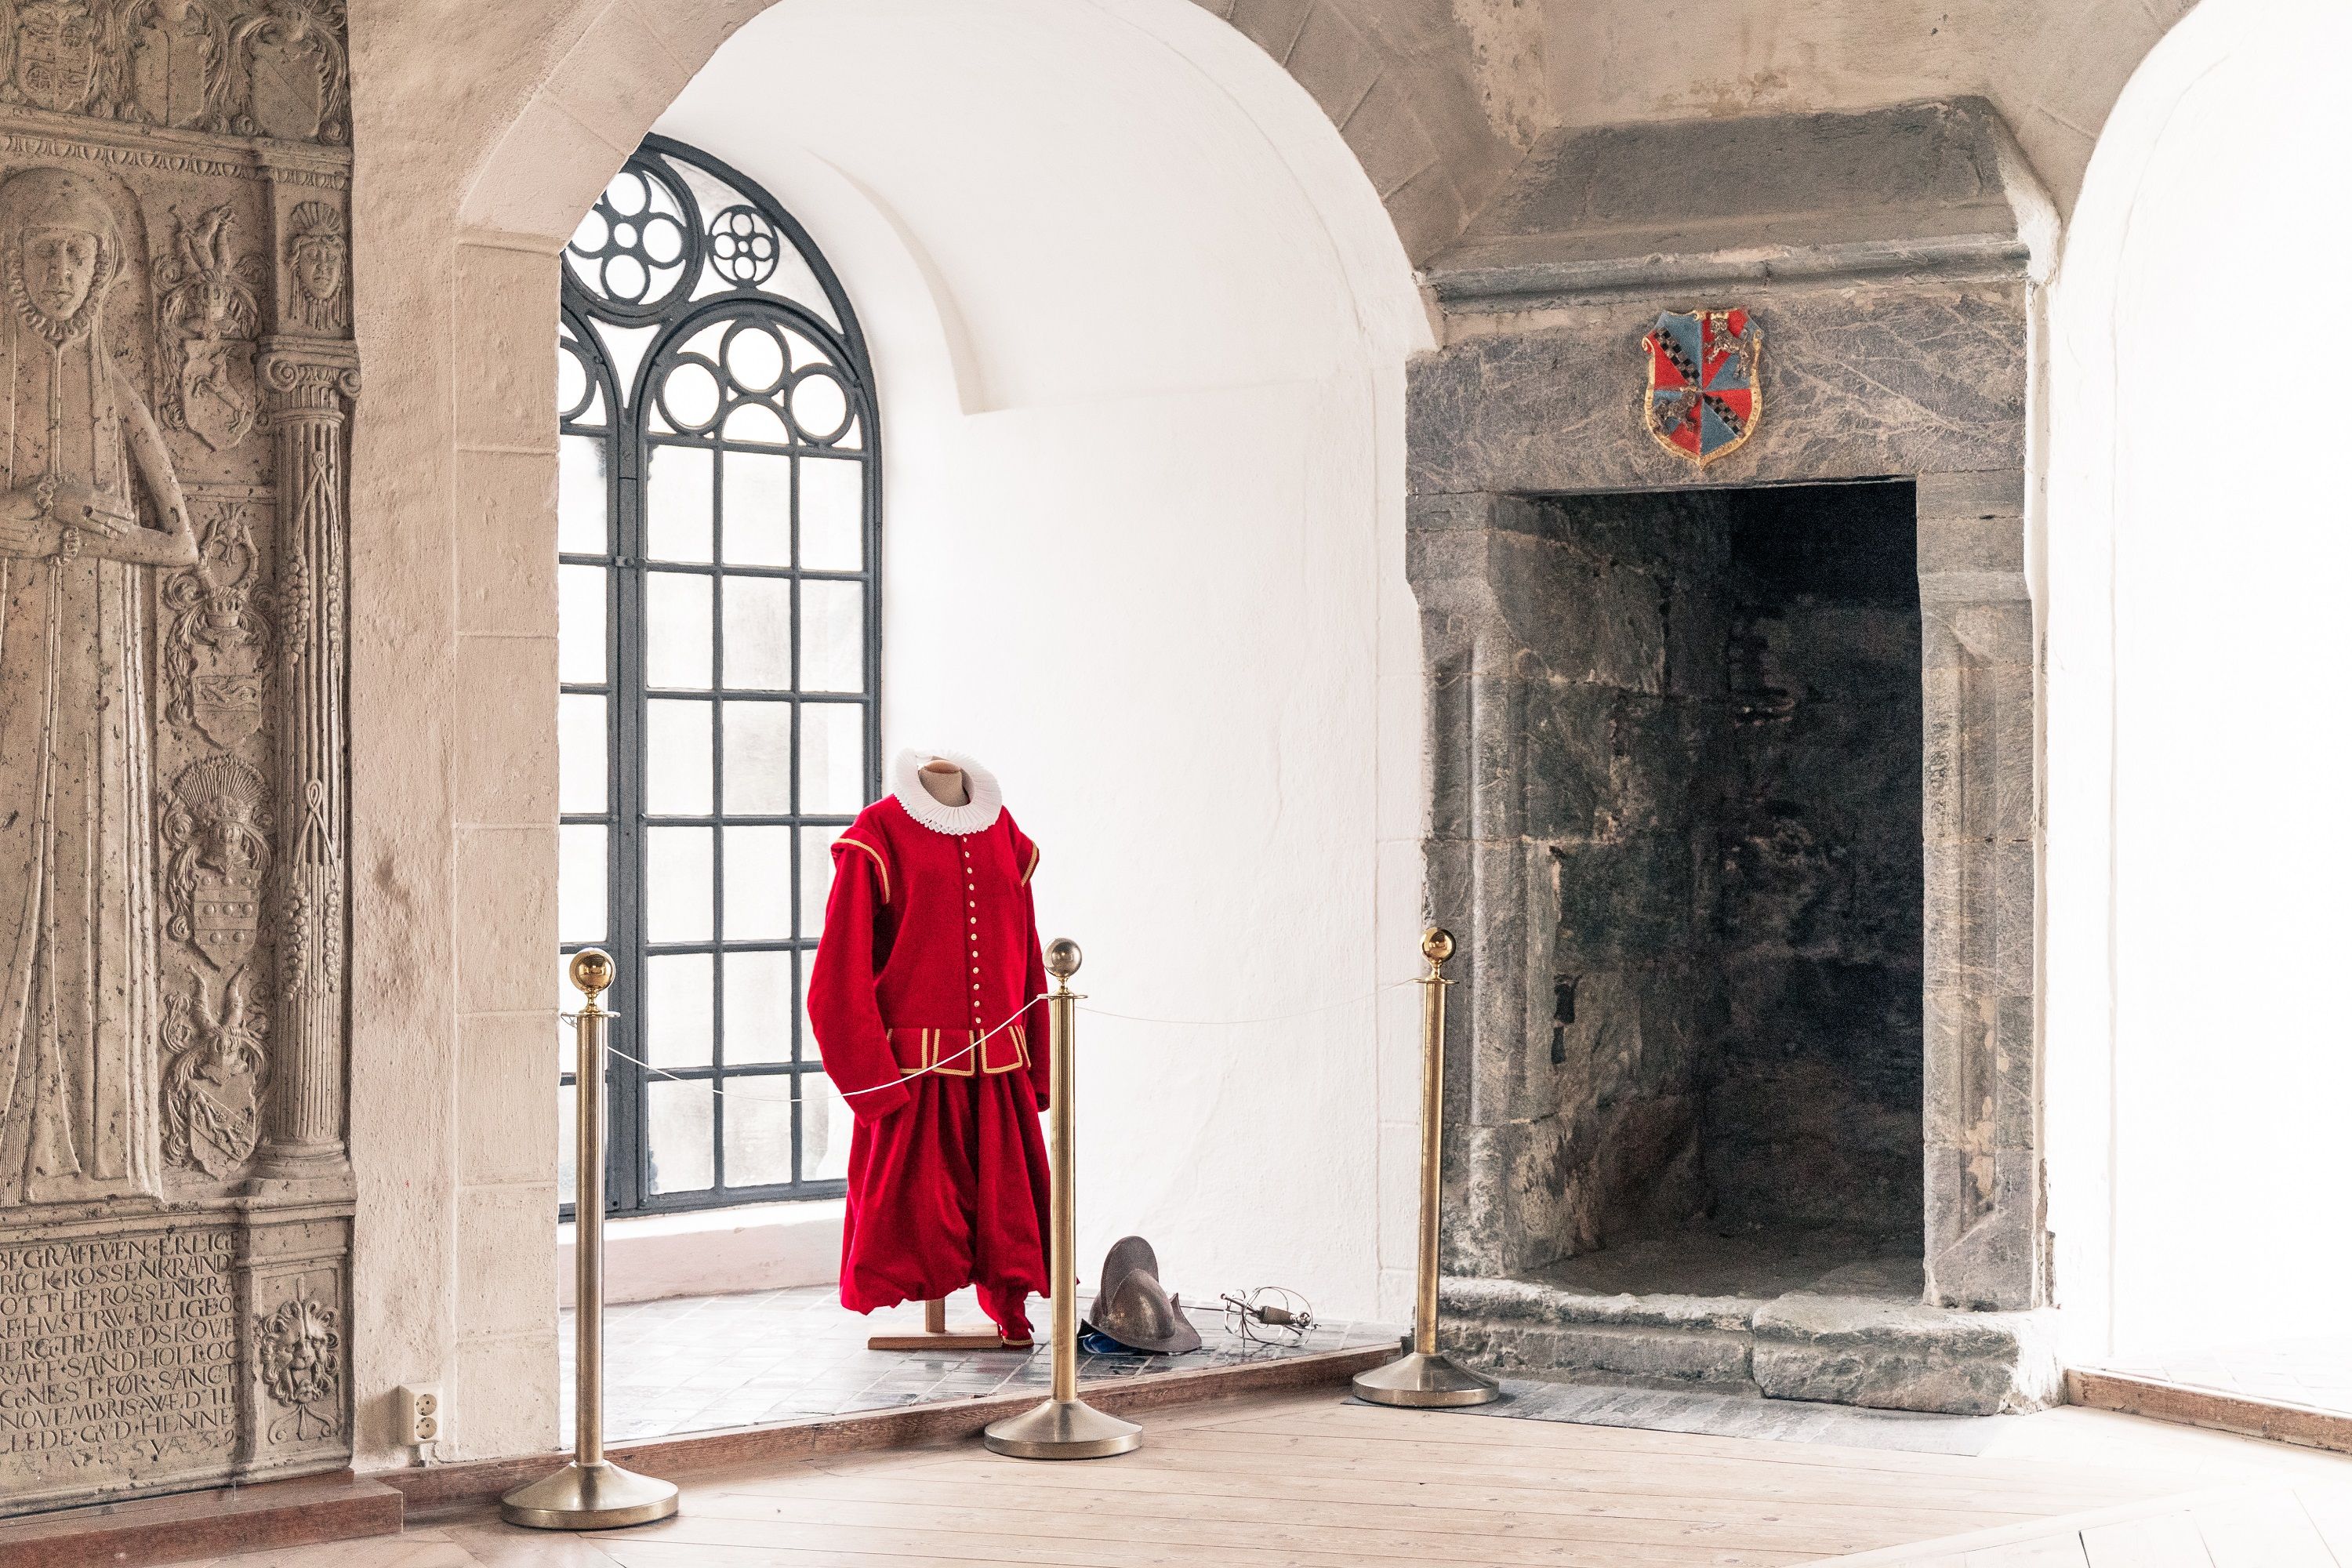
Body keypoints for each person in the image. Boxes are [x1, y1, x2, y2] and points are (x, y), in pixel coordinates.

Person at [0, 167, 200, 1203]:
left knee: (93, 860)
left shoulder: (115, 390)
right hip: (16, 652)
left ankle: (98, 1142)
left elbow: (181, 542)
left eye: (78, 252)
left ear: (104, 269)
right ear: (16, 264)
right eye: (45, 251)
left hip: (100, 662)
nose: (61, 269)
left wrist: (92, 529)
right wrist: (23, 517)